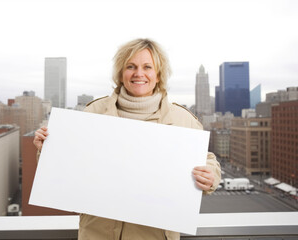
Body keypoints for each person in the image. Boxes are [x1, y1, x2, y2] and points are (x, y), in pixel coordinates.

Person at [33, 38, 221, 240]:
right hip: (98, 234)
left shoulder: (182, 118)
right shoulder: (92, 112)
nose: (139, 73)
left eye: (147, 67)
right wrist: (46, 148)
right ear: (121, 74)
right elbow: (66, 166)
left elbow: (207, 159)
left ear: (158, 75)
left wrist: (210, 175)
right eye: (131, 66)